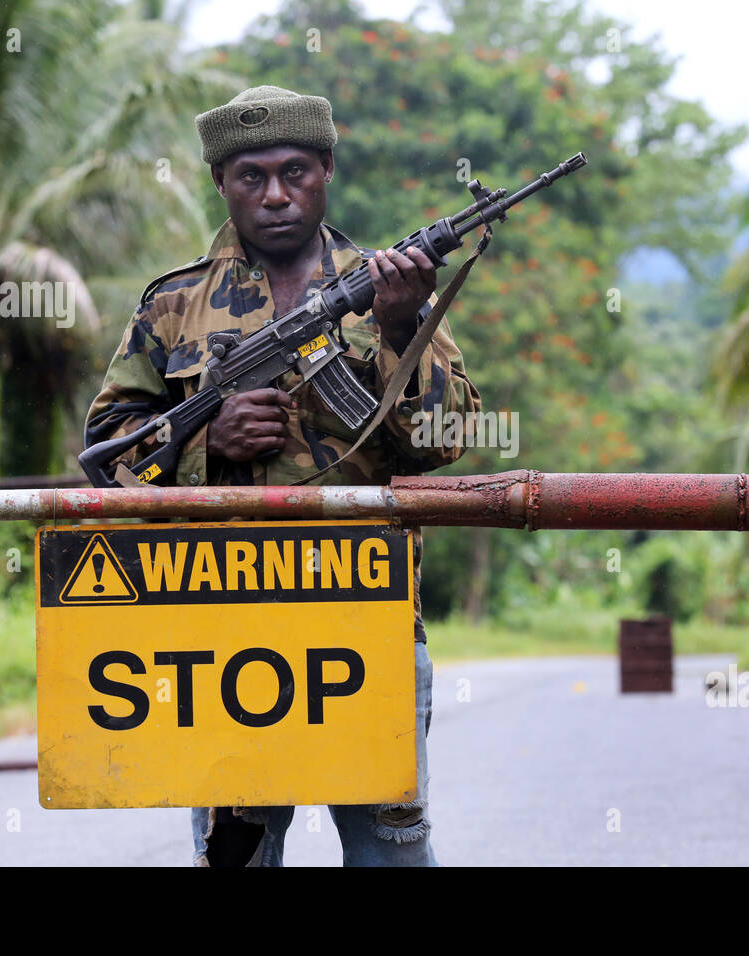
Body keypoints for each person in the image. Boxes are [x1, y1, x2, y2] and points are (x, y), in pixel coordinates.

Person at [82, 85, 482, 866]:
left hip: (365, 617)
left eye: (294, 171)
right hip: (220, 626)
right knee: (236, 855)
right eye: (250, 176)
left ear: (327, 169)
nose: (274, 195)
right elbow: (107, 453)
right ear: (219, 183)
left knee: (391, 853)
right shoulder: (173, 306)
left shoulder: (388, 283)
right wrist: (209, 447)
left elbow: (448, 436)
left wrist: (403, 324)